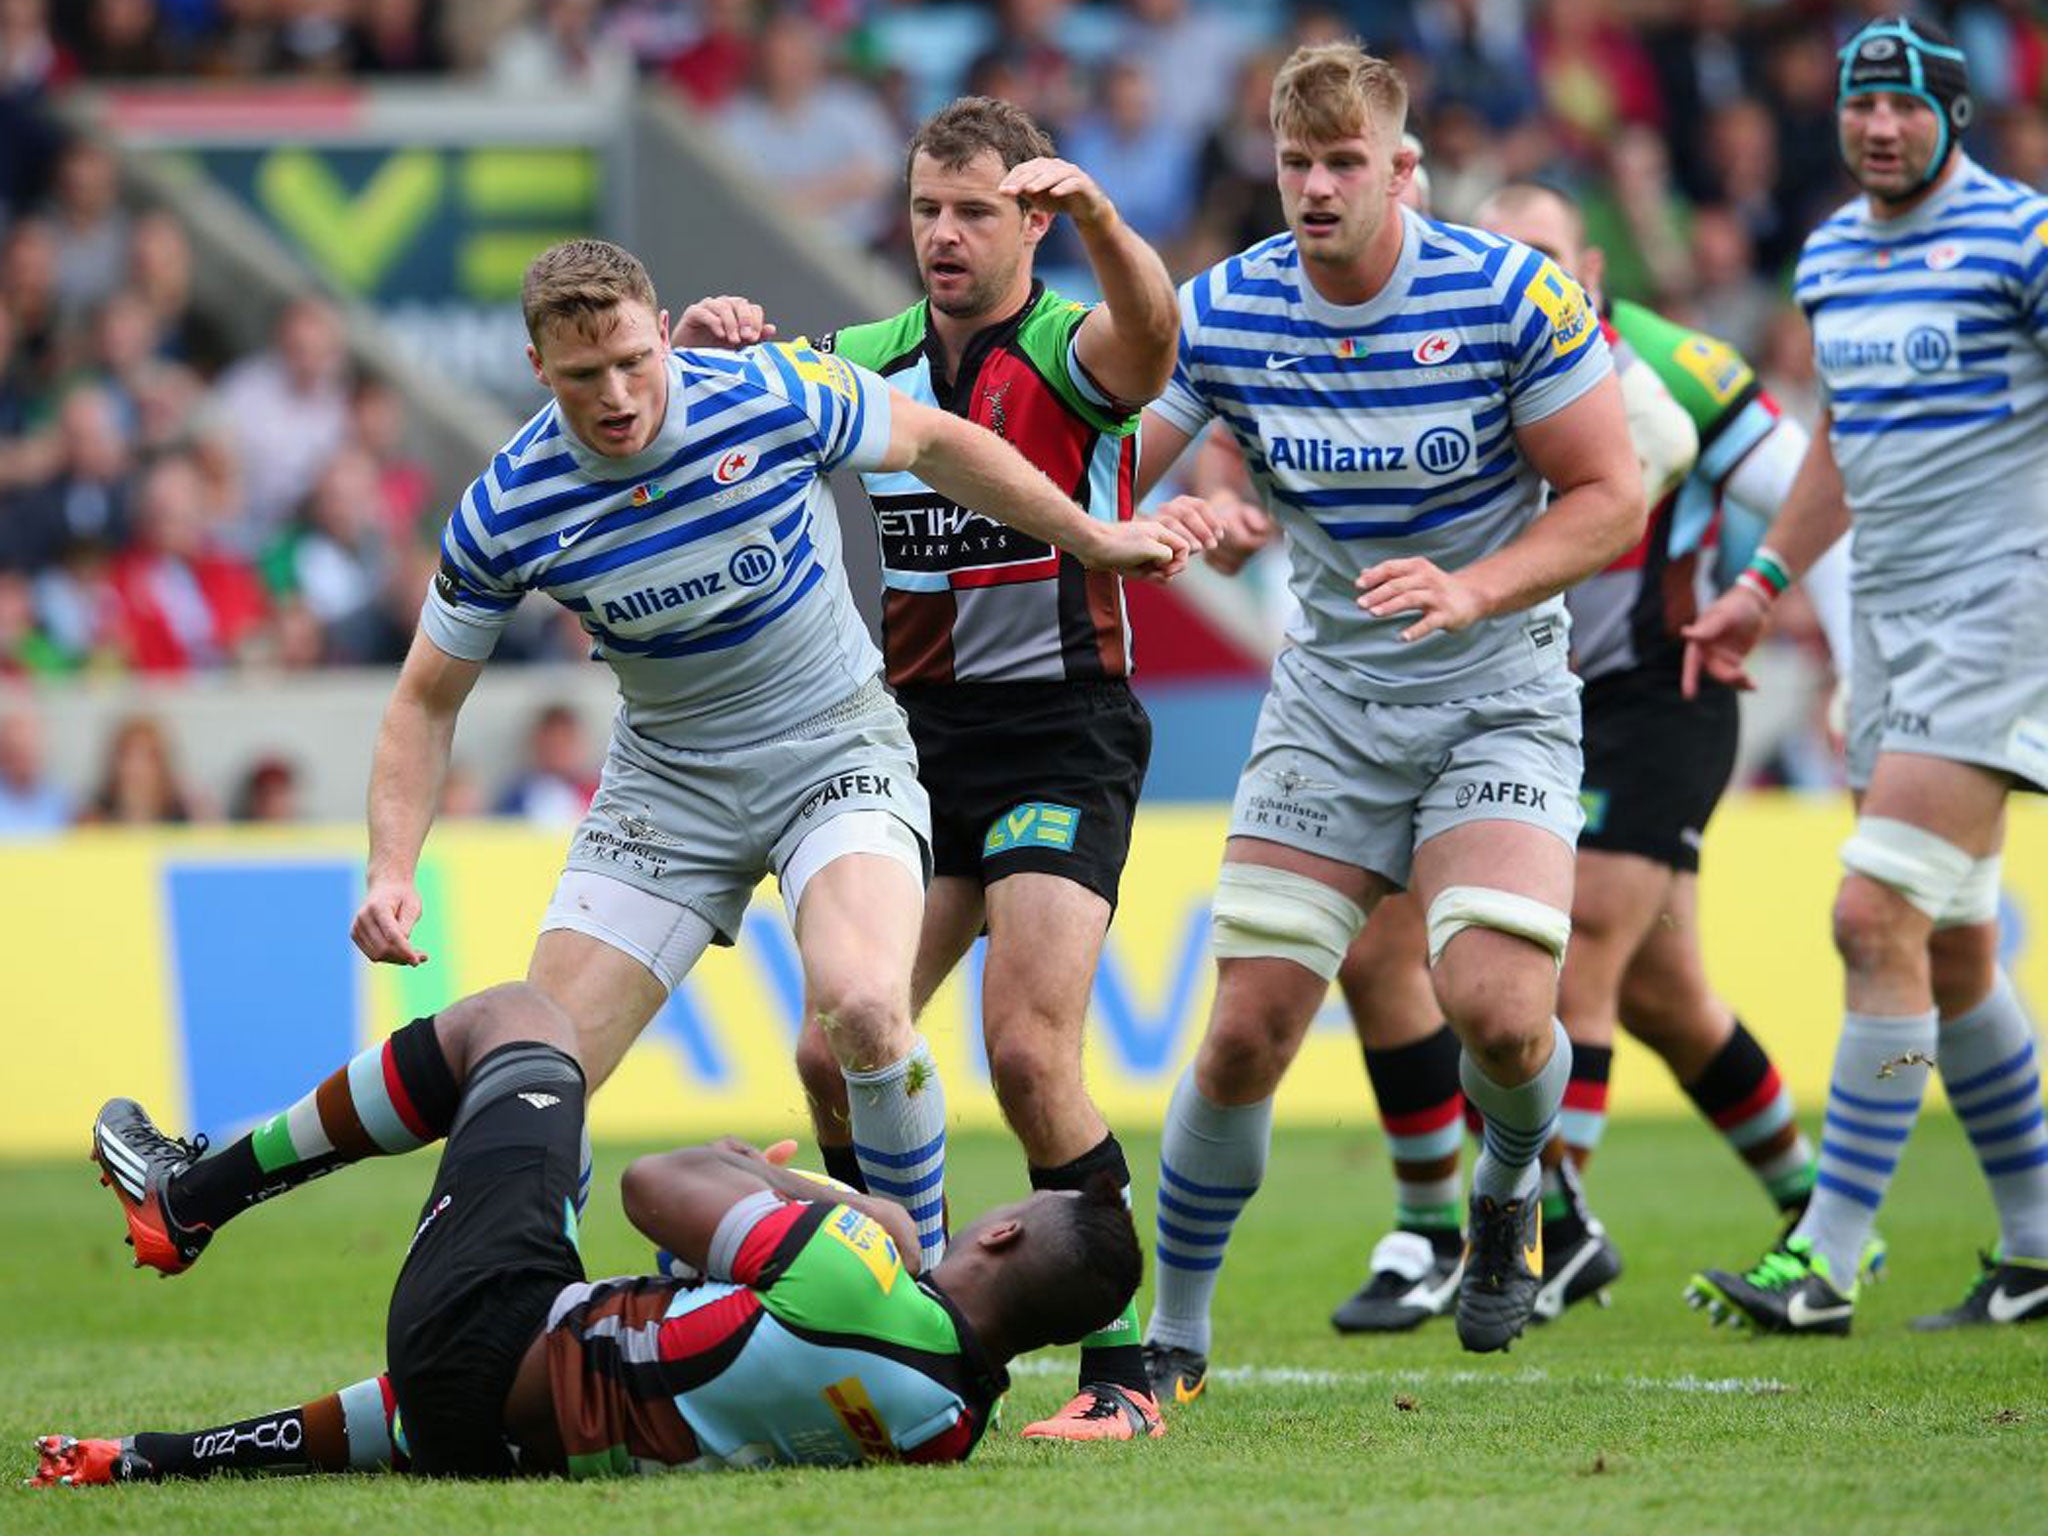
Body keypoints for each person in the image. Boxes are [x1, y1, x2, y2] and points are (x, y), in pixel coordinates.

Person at [87, 238, 1186, 1287]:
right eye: (581, 377)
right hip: (668, 787)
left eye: (630, 361)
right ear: (537, 369)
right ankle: (206, 1196)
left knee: (860, 1008)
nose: (614, 395)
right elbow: (425, 699)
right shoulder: (510, 504)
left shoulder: (769, 394)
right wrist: (388, 868)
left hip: (834, 749)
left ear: (665, 335)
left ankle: (929, 1299)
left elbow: (941, 443)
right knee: (527, 1080)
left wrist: (1090, 538)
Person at [1126, 41, 1642, 1389]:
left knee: (1503, 1017)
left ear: (1399, 167)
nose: (1315, 187)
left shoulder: (1510, 295)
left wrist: (1475, 586)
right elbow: (1111, 465)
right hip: (1333, 702)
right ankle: (1174, 1333)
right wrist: (1173, 514)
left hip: (1498, 697)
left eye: (1343, 162)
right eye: (1296, 162)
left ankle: (1510, 1190)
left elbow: (1609, 497)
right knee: (1244, 1030)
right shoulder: (1225, 310)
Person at [679, 95, 1192, 1441]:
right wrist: (702, 341)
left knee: (1027, 1051)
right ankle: (913, 1304)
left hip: (1059, 730)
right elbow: (709, 407)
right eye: (925, 209)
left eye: (973, 210)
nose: (942, 235)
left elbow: (1153, 343)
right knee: (828, 1045)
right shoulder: (867, 359)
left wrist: (1108, 225)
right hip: (908, 747)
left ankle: (1130, 1367)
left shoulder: (1070, 351)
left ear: (1029, 219)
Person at [1325, 179, 1863, 1335]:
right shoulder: (1440, 359)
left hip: (1650, 694)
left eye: (1547, 256)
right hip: (1497, 702)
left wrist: (1846, 657)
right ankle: (1816, 1211)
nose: (1523, 276)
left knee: (1566, 967)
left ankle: (1546, 1231)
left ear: (1594, 276)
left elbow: (1807, 498)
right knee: (1667, 998)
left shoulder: (1673, 374)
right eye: (1499, 253)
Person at [39, 983, 1141, 1485]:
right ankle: (154, 1457)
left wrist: (841, 1202)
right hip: (490, 1429)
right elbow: (687, 1353)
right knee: (554, 1219)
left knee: (520, 1028)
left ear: (996, 1235)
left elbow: (658, 1183)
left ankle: (187, 1197)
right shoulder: (948, 1423)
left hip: (487, 1329)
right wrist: (152, 1459)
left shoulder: (856, 1271)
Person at [1684, 16, 2048, 1335]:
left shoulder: (2026, 239)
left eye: (1904, 106)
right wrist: (1761, 584)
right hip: (1888, 624)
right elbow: (1840, 442)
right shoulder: (1834, 254)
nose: (1879, 126)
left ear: (1955, 112)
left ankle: (1825, 1257)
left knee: (1868, 918)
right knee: (1949, 949)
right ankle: (2038, 1245)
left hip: (2008, 611)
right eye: (1860, 106)